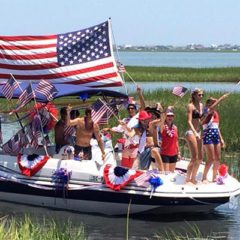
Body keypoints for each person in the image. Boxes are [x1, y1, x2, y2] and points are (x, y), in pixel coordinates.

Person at [102, 86, 145, 168]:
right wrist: (108, 129)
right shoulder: (125, 120)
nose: (130, 110)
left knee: (133, 166)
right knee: (124, 166)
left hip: (135, 145)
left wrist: (139, 93)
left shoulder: (137, 118)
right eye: (129, 108)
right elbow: (118, 130)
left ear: (135, 110)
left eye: (132, 108)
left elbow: (143, 106)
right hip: (125, 145)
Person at [201, 93, 229, 182]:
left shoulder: (216, 113)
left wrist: (221, 138)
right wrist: (221, 98)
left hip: (215, 135)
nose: (215, 104)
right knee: (211, 158)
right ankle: (204, 177)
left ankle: (214, 177)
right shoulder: (205, 111)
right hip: (208, 135)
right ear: (208, 104)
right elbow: (211, 109)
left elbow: (217, 127)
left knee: (217, 158)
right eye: (213, 102)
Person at [185, 88, 204, 184]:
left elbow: (200, 120)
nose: (201, 97)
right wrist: (195, 132)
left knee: (200, 158)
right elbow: (189, 121)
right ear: (194, 95)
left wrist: (203, 129)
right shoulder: (190, 106)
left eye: (202, 95)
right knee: (194, 157)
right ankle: (187, 179)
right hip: (191, 132)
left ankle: (193, 178)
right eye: (199, 95)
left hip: (199, 132)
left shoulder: (201, 105)